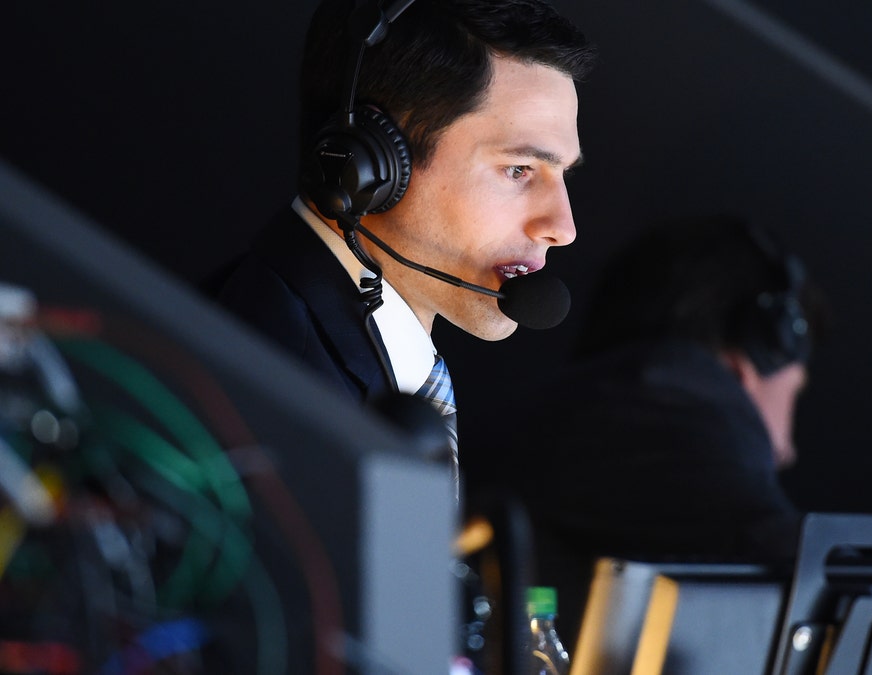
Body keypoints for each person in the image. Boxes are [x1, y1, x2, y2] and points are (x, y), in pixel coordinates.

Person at [215, 0, 595, 441]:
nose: (563, 228)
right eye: (519, 170)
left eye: (562, 174)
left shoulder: (349, 359)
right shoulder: (285, 405)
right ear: (369, 164)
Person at [467, 214, 828, 644]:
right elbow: (788, 563)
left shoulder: (586, 407)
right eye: (795, 393)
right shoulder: (673, 402)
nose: (787, 450)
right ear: (759, 351)